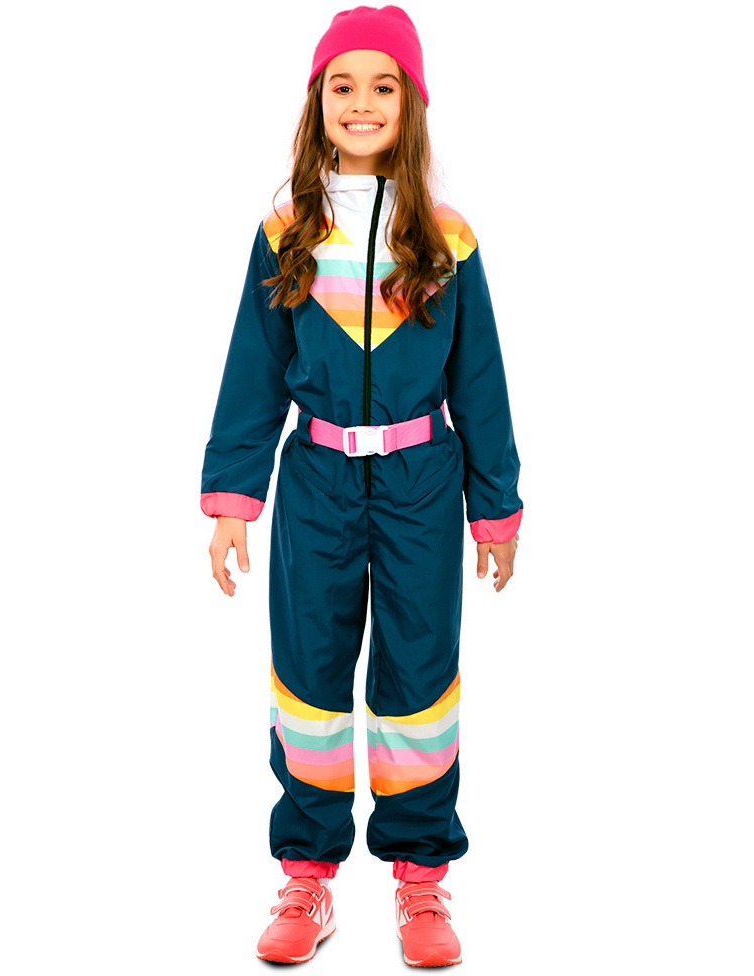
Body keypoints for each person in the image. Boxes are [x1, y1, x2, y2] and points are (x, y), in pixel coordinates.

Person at [200, 5, 522, 967]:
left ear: (411, 103)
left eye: (384, 86)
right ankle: (307, 871)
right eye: (342, 86)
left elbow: (481, 380)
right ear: (317, 103)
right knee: (309, 675)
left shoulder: (447, 237)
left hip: (424, 483)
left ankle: (421, 878)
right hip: (316, 482)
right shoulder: (287, 231)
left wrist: (495, 506)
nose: (362, 102)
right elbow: (253, 372)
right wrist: (232, 500)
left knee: (420, 680)